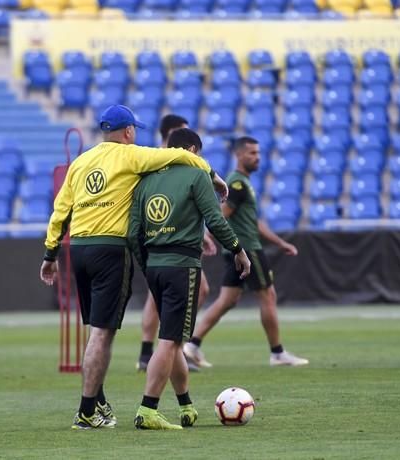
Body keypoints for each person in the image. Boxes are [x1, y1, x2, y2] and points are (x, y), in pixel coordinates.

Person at [39, 105, 228, 430]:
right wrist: (215, 178)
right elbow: (183, 157)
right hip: (111, 248)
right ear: (128, 131)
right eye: (135, 129)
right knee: (103, 332)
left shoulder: (80, 162)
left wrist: (50, 254)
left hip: (80, 248)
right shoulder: (132, 156)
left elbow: (60, 210)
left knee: (95, 330)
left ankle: (96, 402)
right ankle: (86, 412)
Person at [128, 128, 251, 429]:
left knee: (174, 340)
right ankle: (148, 409)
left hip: (154, 265)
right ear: (193, 151)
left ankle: (186, 406)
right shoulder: (197, 177)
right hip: (183, 266)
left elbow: (133, 232)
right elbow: (216, 220)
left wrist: (147, 266)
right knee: (170, 342)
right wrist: (238, 249)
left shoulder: (146, 181)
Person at [183, 136, 310, 368]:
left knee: (227, 300)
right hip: (246, 249)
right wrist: (207, 236)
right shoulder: (238, 185)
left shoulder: (242, 182)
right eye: (251, 153)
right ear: (239, 155)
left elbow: (255, 222)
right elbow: (221, 215)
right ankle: (278, 353)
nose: (257, 157)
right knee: (268, 296)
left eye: (258, 153)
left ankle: (191, 345)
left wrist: (280, 243)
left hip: (240, 247)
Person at [136, 114, 217, 372]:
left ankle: (160, 350)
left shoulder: (166, 161)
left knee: (175, 293)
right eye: (183, 131)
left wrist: (201, 234)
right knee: (160, 296)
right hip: (164, 238)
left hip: (167, 235)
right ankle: (160, 350)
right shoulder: (161, 158)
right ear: (171, 134)